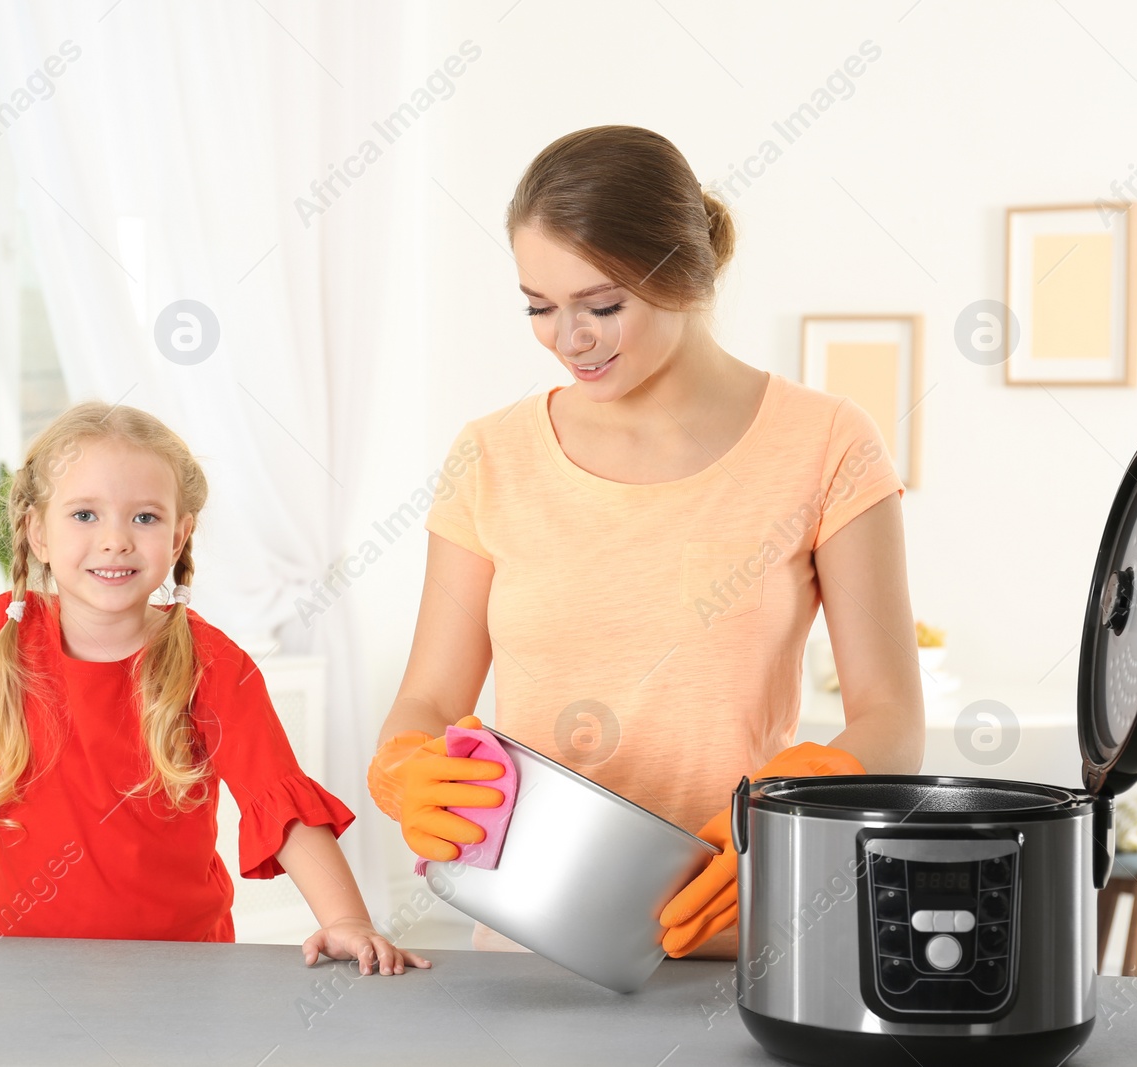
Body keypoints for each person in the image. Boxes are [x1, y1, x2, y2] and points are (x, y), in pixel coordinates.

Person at [368, 125, 925, 960]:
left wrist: (795, 808)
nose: (569, 338)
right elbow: (427, 699)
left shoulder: (828, 443)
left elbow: (893, 720)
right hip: (526, 947)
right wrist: (403, 765)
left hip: (740, 947)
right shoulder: (490, 456)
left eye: (601, 305)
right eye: (538, 307)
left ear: (687, 277)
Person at [0, 402, 426, 977]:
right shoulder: (0, 638)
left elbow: (279, 806)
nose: (115, 538)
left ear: (179, 535)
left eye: (144, 517)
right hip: (18, 971)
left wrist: (345, 921)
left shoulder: (213, 663)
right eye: (84, 514)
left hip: (182, 976)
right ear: (37, 532)